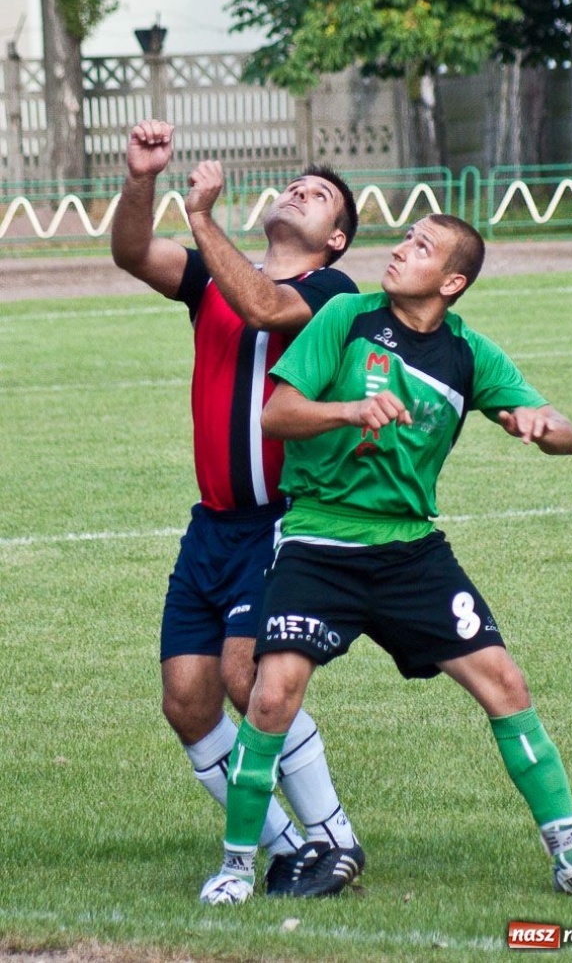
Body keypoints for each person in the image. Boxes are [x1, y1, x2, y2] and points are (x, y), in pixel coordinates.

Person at [213, 212, 572, 903]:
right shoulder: (347, 317)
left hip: (411, 551)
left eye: (420, 247)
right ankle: (234, 870)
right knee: (270, 697)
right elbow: (278, 414)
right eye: (405, 239)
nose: (400, 250)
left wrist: (543, 425)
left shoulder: (469, 354)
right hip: (319, 539)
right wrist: (349, 411)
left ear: (450, 282)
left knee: (505, 685)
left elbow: (567, 434)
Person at [110, 118, 365, 902]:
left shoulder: (332, 293)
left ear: (336, 240)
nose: (297, 191)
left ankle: (333, 838)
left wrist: (200, 216)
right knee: (186, 700)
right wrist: (143, 178)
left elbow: (262, 307)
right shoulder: (215, 277)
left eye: (317, 195)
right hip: (212, 525)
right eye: (295, 185)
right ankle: (288, 848)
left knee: (244, 671)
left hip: (285, 520)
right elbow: (131, 251)